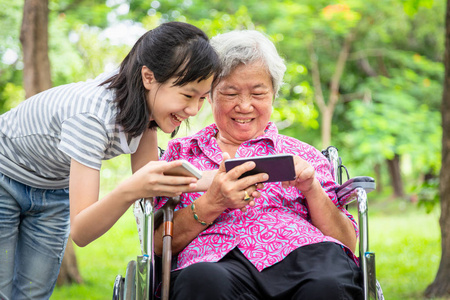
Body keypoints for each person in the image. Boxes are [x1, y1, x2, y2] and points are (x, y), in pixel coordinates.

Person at [0, 21, 220, 300]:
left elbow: (153, 183)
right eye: (188, 95)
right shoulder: (93, 117)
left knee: (32, 295)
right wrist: (131, 189)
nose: (193, 109)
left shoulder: (145, 109)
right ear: (149, 77)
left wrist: (217, 180)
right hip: (4, 174)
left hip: (52, 188)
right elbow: (82, 231)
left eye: (202, 98)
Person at [154, 29, 363, 300]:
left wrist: (311, 189)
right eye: (230, 92)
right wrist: (212, 203)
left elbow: (347, 242)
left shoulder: (304, 154)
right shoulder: (181, 154)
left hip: (305, 257)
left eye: (258, 93)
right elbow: (159, 244)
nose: (244, 105)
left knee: (328, 282)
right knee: (202, 282)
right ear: (210, 95)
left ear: (273, 94)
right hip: (213, 261)